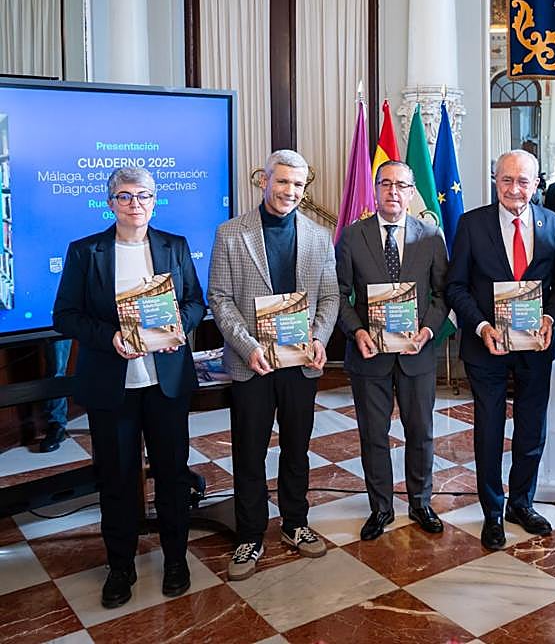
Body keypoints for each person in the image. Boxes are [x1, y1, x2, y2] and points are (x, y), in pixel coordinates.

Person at [52, 167, 206, 608]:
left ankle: (176, 559)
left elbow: (196, 301)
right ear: (110, 202)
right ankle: (120, 566)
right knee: (117, 480)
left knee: (173, 476)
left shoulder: (173, 247)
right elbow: (65, 315)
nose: (135, 204)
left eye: (143, 196)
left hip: (166, 383)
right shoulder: (87, 252)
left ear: (155, 201)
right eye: (124, 196)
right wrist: (110, 337)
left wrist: (181, 324)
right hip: (112, 386)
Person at [208, 149, 339, 581]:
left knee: (297, 449)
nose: (290, 192)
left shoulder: (320, 237)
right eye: (282, 182)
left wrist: (319, 338)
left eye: (298, 185)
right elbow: (220, 299)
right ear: (264, 180)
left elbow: (331, 297)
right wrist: (247, 347)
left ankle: (296, 524)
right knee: (249, 453)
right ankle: (250, 536)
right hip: (254, 365)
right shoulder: (231, 233)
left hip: (300, 363)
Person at [446, 149, 555, 550]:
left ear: (537, 184)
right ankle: (492, 512)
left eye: (523, 181)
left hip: (535, 346)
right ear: (495, 180)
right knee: (489, 429)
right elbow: (456, 287)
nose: (514, 189)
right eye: (506, 180)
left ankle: (521, 503)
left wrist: (550, 317)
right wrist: (481, 327)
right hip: (487, 349)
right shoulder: (470, 224)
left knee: (532, 428)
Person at [336, 160, 449, 541]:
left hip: (417, 353)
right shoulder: (353, 237)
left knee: (421, 431)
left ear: (412, 191)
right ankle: (381, 508)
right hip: (370, 355)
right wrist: (356, 331)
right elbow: (338, 294)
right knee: (373, 434)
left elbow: (442, 293)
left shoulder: (431, 235)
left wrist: (429, 328)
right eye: (386, 184)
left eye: (401, 185)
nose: (393, 192)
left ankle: (420, 501)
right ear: (375, 189)